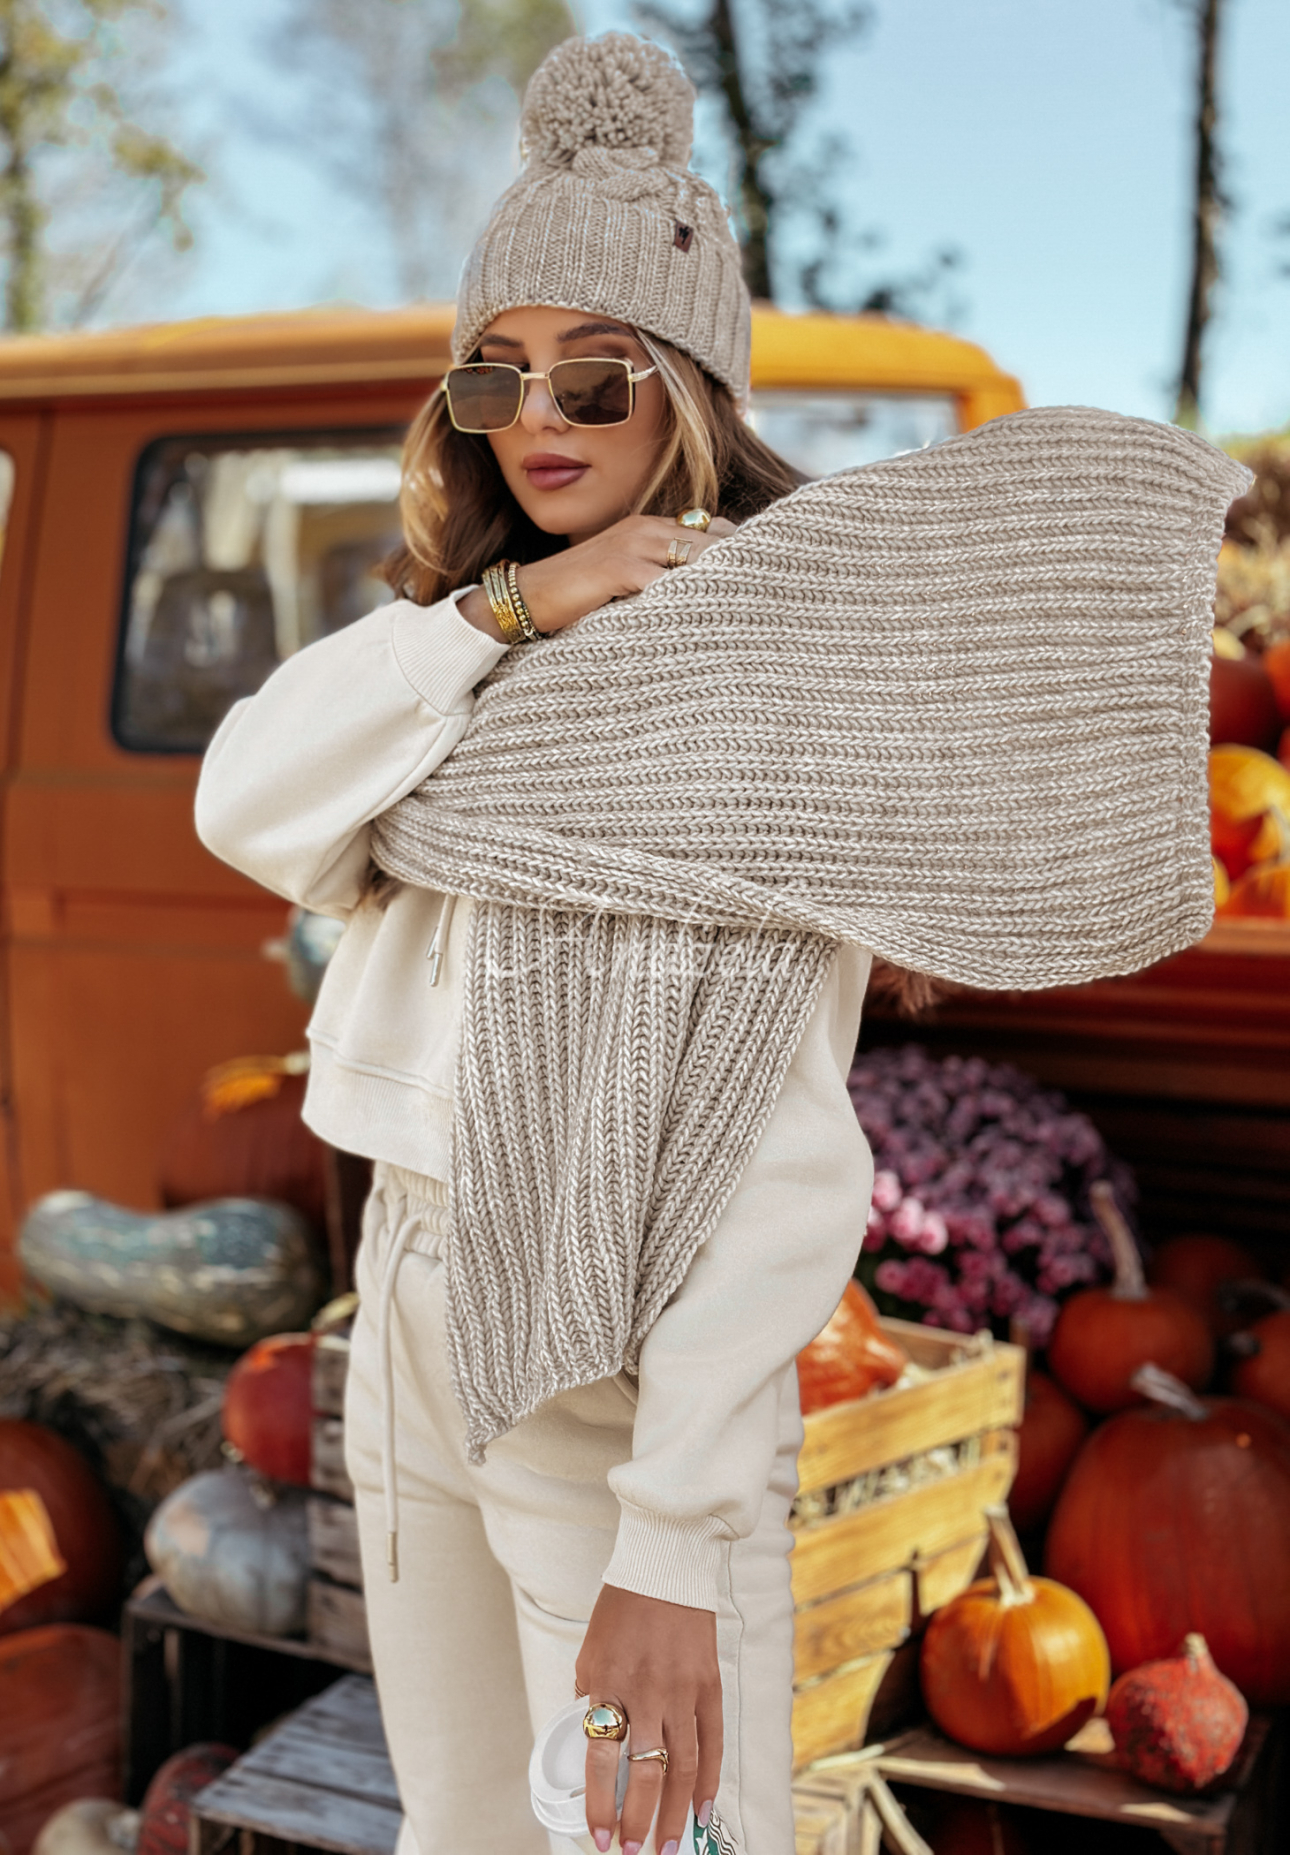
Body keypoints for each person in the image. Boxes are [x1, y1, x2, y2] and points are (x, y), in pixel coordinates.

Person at [196, 32, 885, 1855]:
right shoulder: (457, 657)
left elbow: (781, 1141)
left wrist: (673, 1534)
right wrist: (506, 605)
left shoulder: (760, 669)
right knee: (462, 1828)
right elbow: (247, 801)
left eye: (600, 374)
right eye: (499, 375)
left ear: (687, 390)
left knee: (634, 1840)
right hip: (413, 1290)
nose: (546, 416)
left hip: (606, 1334)